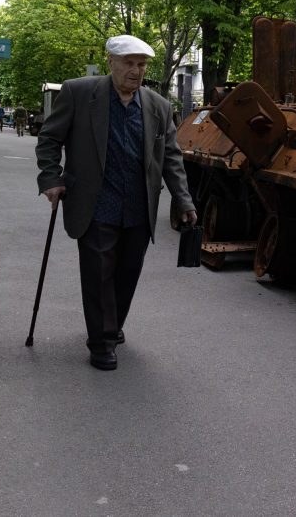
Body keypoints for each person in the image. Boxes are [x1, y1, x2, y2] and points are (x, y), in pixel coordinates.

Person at [36, 34, 197, 371]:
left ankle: (113, 323)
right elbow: (50, 138)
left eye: (141, 65)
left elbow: (171, 157)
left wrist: (183, 200)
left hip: (138, 207)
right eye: (129, 63)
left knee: (127, 274)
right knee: (97, 274)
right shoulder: (80, 93)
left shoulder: (157, 106)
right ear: (111, 62)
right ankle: (101, 341)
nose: (136, 71)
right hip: (96, 204)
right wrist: (51, 179)